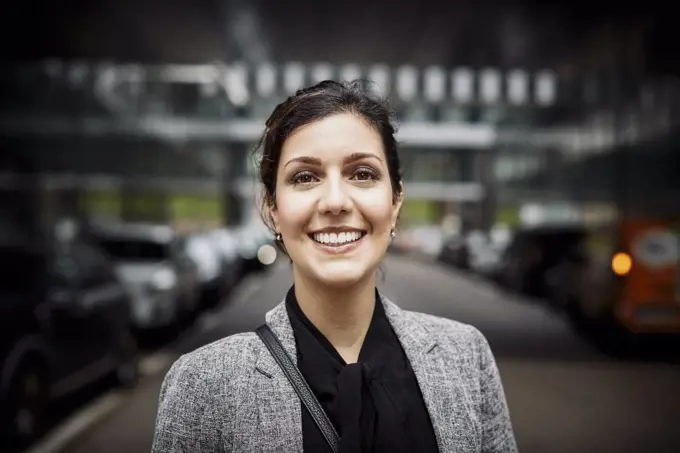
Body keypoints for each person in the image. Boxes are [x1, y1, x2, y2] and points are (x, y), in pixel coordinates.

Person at [152, 80, 518, 453]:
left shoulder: (467, 358)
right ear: (273, 209)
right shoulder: (203, 385)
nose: (335, 201)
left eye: (362, 173)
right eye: (305, 177)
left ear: (395, 201)